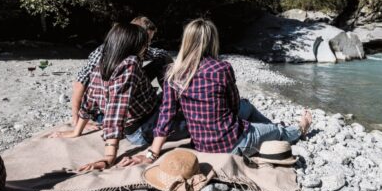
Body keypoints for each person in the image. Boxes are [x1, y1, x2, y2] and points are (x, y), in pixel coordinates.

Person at [121, 19, 311, 166]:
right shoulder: (221, 68)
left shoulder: (172, 73)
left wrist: (151, 154)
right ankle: (300, 129)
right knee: (278, 130)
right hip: (233, 142)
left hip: (202, 146)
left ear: (186, 42)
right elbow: (234, 105)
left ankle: (266, 129)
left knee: (248, 107)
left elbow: (166, 115)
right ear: (212, 41)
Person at [51, 23, 161, 172]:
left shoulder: (102, 63)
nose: (146, 47)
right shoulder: (131, 63)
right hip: (146, 126)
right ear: (134, 44)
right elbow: (117, 111)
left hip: (135, 123)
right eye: (144, 43)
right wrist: (109, 157)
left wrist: (77, 131)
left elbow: (90, 101)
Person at [70, 16, 171, 126]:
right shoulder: (102, 53)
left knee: (162, 60)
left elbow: (162, 54)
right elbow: (81, 83)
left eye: (149, 41)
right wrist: (76, 119)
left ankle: (171, 97)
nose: (147, 44)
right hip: (107, 103)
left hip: (130, 91)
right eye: (145, 39)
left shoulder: (142, 49)